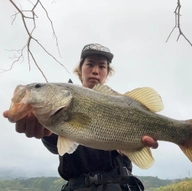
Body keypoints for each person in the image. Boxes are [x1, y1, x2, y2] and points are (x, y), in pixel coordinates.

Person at [3, 43, 158, 191]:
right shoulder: (60, 103)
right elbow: (58, 146)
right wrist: (45, 132)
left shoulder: (126, 104)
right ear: (80, 69)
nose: (95, 70)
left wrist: (136, 143)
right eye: (90, 64)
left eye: (102, 66)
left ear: (107, 72)